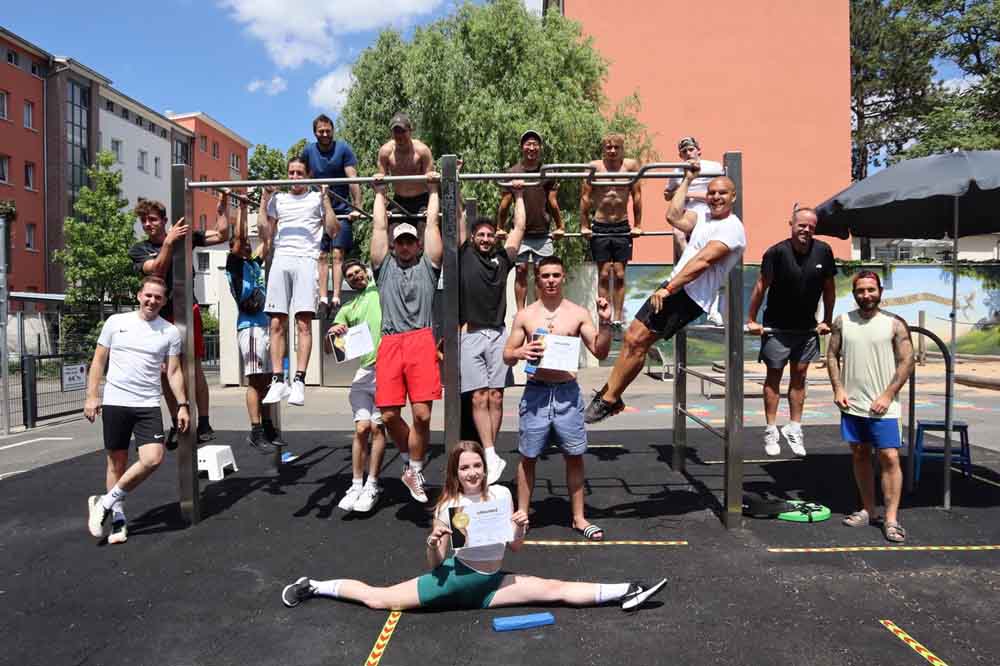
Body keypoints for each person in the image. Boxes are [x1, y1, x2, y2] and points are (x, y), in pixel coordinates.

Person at [281, 440, 666, 612]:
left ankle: (627, 590)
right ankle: (314, 585)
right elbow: (436, 564)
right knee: (377, 599)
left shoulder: (501, 495)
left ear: (484, 468)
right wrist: (434, 541)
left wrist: (520, 527)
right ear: (455, 472)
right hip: (451, 581)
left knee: (554, 589)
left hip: (489, 585)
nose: (472, 472)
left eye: (477, 465)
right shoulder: (449, 505)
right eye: (464, 467)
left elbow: (513, 549)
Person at [585, 161, 745, 423]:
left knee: (638, 341)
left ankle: (609, 399)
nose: (716, 197)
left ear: (733, 197)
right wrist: (687, 180)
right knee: (632, 338)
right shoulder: (702, 214)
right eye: (712, 193)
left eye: (722, 193)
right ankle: (610, 395)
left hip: (688, 296)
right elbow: (673, 216)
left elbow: (702, 263)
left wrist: (669, 289)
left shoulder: (732, 228)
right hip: (674, 288)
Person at [504, 256, 613, 540]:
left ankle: (578, 518)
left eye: (555, 275)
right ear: (537, 280)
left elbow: (600, 352)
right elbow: (506, 354)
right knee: (528, 456)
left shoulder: (578, 313)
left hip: (566, 394)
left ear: (563, 277)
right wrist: (520, 353)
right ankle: (523, 515)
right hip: (536, 393)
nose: (550, 280)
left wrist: (606, 322)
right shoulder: (526, 315)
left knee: (574, 456)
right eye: (545, 276)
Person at [84, 276, 189, 545]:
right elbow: (98, 361)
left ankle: (105, 502)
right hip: (116, 402)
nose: (152, 301)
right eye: (148, 295)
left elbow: (174, 372)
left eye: (158, 297)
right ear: (139, 295)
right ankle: (118, 519)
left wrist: (182, 405)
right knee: (116, 461)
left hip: (147, 404)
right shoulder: (116, 323)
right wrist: (92, 395)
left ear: (164, 301)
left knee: (153, 458)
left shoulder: (169, 332)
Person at [129, 197, 227, 445]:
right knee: (165, 372)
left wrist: (222, 207)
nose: (148, 224)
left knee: (192, 368)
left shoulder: (185, 237)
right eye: (144, 221)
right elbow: (156, 271)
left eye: (152, 219)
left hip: (186, 309)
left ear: (163, 220)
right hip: (160, 316)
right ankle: (176, 420)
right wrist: (169, 243)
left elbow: (223, 235)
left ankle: (203, 421)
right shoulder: (140, 250)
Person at [370, 171, 442, 504]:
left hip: (421, 340)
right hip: (391, 342)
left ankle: (413, 467)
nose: (404, 245)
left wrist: (432, 191)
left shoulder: (428, 266)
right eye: (400, 241)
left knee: (424, 415)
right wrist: (381, 192)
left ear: (416, 244)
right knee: (387, 416)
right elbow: (379, 228)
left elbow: (432, 226)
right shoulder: (383, 267)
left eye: (409, 241)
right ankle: (409, 457)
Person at [827, 271, 914, 543]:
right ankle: (867, 509)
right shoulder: (843, 322)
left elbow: (907, 362)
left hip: (883, 407)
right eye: (861, 291)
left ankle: (891, 520)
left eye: (871, 290)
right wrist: (838, 388)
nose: (866, 295)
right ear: (854, 294)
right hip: (852, 406)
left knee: (889, 457)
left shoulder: (895, 324)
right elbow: (831, 355)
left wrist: (888, 395)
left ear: (880, 291)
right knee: (860, 454)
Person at [746, 205, 836, 457]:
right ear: (792, 224)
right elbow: (761, 287)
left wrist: (826, 319)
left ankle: (794, 427)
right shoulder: (776, 253)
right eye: (801, 225)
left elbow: (829, 289)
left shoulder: (823, 251)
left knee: (800, 376)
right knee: (774, 376)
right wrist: (751, 319)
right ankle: (771, 429)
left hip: (806, 327)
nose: (806, 230)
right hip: (776, 326)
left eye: (811, 226)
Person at [460, 179, 527, 484]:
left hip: (498, 334)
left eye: (489, 235)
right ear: (473, 237)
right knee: (478, 398)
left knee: (496, 398)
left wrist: (519, 195)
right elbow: (458, 215)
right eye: (481, 235)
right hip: (471, 334)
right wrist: (455, 182)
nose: (486, 239)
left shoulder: (502, 261)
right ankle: (488, 453)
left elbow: (519, 229)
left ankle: (490, 452)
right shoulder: (464, 255)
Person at [260, 157, 340, 408]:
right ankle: (277, 379)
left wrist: (326, 198)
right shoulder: (279, 200)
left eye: (299, 173)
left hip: (307, 259)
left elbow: (333, 230)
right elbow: (265, 233)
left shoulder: (316, 199)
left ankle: (299, 381)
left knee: (303, 323)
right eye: (291, 173)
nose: (294, 177)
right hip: (282, 258)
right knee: (275, 322)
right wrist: (264, 198)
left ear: (307, 176)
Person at [223, 193, 284, 454]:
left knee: (270, 381)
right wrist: (243, 207)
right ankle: (255, 430)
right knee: (256, 380)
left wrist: (267, 204)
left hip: (264, 326)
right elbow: (240, 239)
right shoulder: (234, 266)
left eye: (249, 245)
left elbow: (268, 241)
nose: (248, 246)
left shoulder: (254, 265)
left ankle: (268, 426)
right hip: (249, 328)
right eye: (244, 244)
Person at [327, 259, 387, 513]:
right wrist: (334, 332)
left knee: (377, 428)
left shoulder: (378, 290)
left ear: (366, 272)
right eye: (350, 276)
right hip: (364, 371)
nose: (355, 277)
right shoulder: (348, 308)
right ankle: (356, 484)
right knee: (361, 429)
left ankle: (373, 483)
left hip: (386, 368)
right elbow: (331, 348)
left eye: (358, 272)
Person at [299, 114, 362, 315]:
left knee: (337, 253)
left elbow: (353, 178)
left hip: (341, 210)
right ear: (315, 132)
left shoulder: (342, 149)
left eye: (328, 131)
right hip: (318, 210)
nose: (325, 134)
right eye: (321, 131)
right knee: (321, 254)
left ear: (332, 130)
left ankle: (336, 297)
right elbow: (302, 178)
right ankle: (323, 298)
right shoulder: (309, 151)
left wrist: (357, 206)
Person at [579, 133, 643, 326]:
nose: (612, 150)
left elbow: (637, 196)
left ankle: (617, 318)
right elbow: (585, 198)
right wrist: (584, 225)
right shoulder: (594, 167)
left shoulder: (631, 166)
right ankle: (604, 317)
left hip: (622, 224)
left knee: (621, 274)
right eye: (609, 147)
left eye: (616, 147)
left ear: (622, 148)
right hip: (600, 224)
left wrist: (639, 225)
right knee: (605, 273)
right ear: (603, 149)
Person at [496, 130, 563, 310]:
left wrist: (560, 227)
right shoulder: (513, 172)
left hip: (542, 232)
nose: (531, 148)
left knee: (543, 273)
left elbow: (553, 201)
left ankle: (540, 309)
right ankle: (521, 312)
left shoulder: (547, 172)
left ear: (540, 148)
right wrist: (499, 228)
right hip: (521, 234)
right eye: (528, 144)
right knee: (521, 270)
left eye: (535, 144)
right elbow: (504, 204)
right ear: (522, 148)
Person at [664, 136, 725, 324]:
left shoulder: (713, 167)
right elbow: (668, 195)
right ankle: (687, 267)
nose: (688, 154)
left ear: (699, 150)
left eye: (691, 150)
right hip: (691, 213)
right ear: (680, 155)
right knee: (677, 232)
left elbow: (719, 193)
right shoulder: (677, 171)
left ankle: (713, 309)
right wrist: (672, 192)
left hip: (709, 213)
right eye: (684, 152)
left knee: (713, 258)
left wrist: (687, 192)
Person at [377, 112, 435, 221]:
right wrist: (383, 206)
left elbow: (431, 183)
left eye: (402, 131)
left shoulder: (422, 150)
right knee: (390, 232)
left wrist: (431, 206)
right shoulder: (385, 152)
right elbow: (381, 183)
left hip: (421, 200)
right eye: (396, 131)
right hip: (398, 201)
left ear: (410, 131)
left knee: (425, 230)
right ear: (391, 133)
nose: (399, 136)